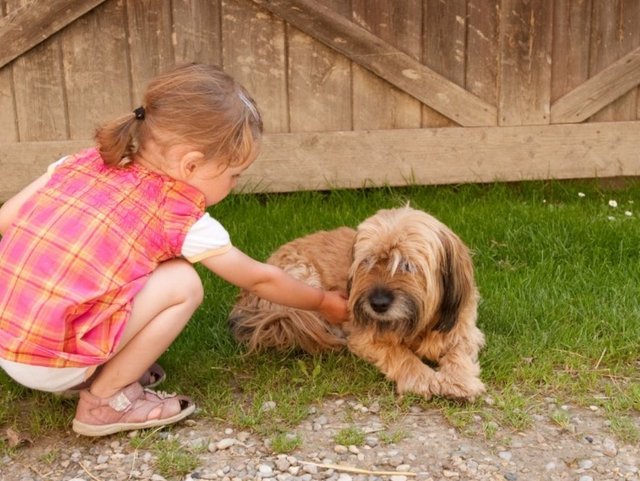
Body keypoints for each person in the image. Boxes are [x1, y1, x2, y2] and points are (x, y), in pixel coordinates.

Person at [0, 63, 349, 437]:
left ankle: (100, 364)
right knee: (183, 283)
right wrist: (323, 301)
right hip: (55, 359)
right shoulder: (177, 213)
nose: (234, 185)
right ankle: (104, 400)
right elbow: (260, 278)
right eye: (233, 175)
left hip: (9, 340)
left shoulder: (82, 162)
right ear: (192, 164)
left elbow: (6, 219)